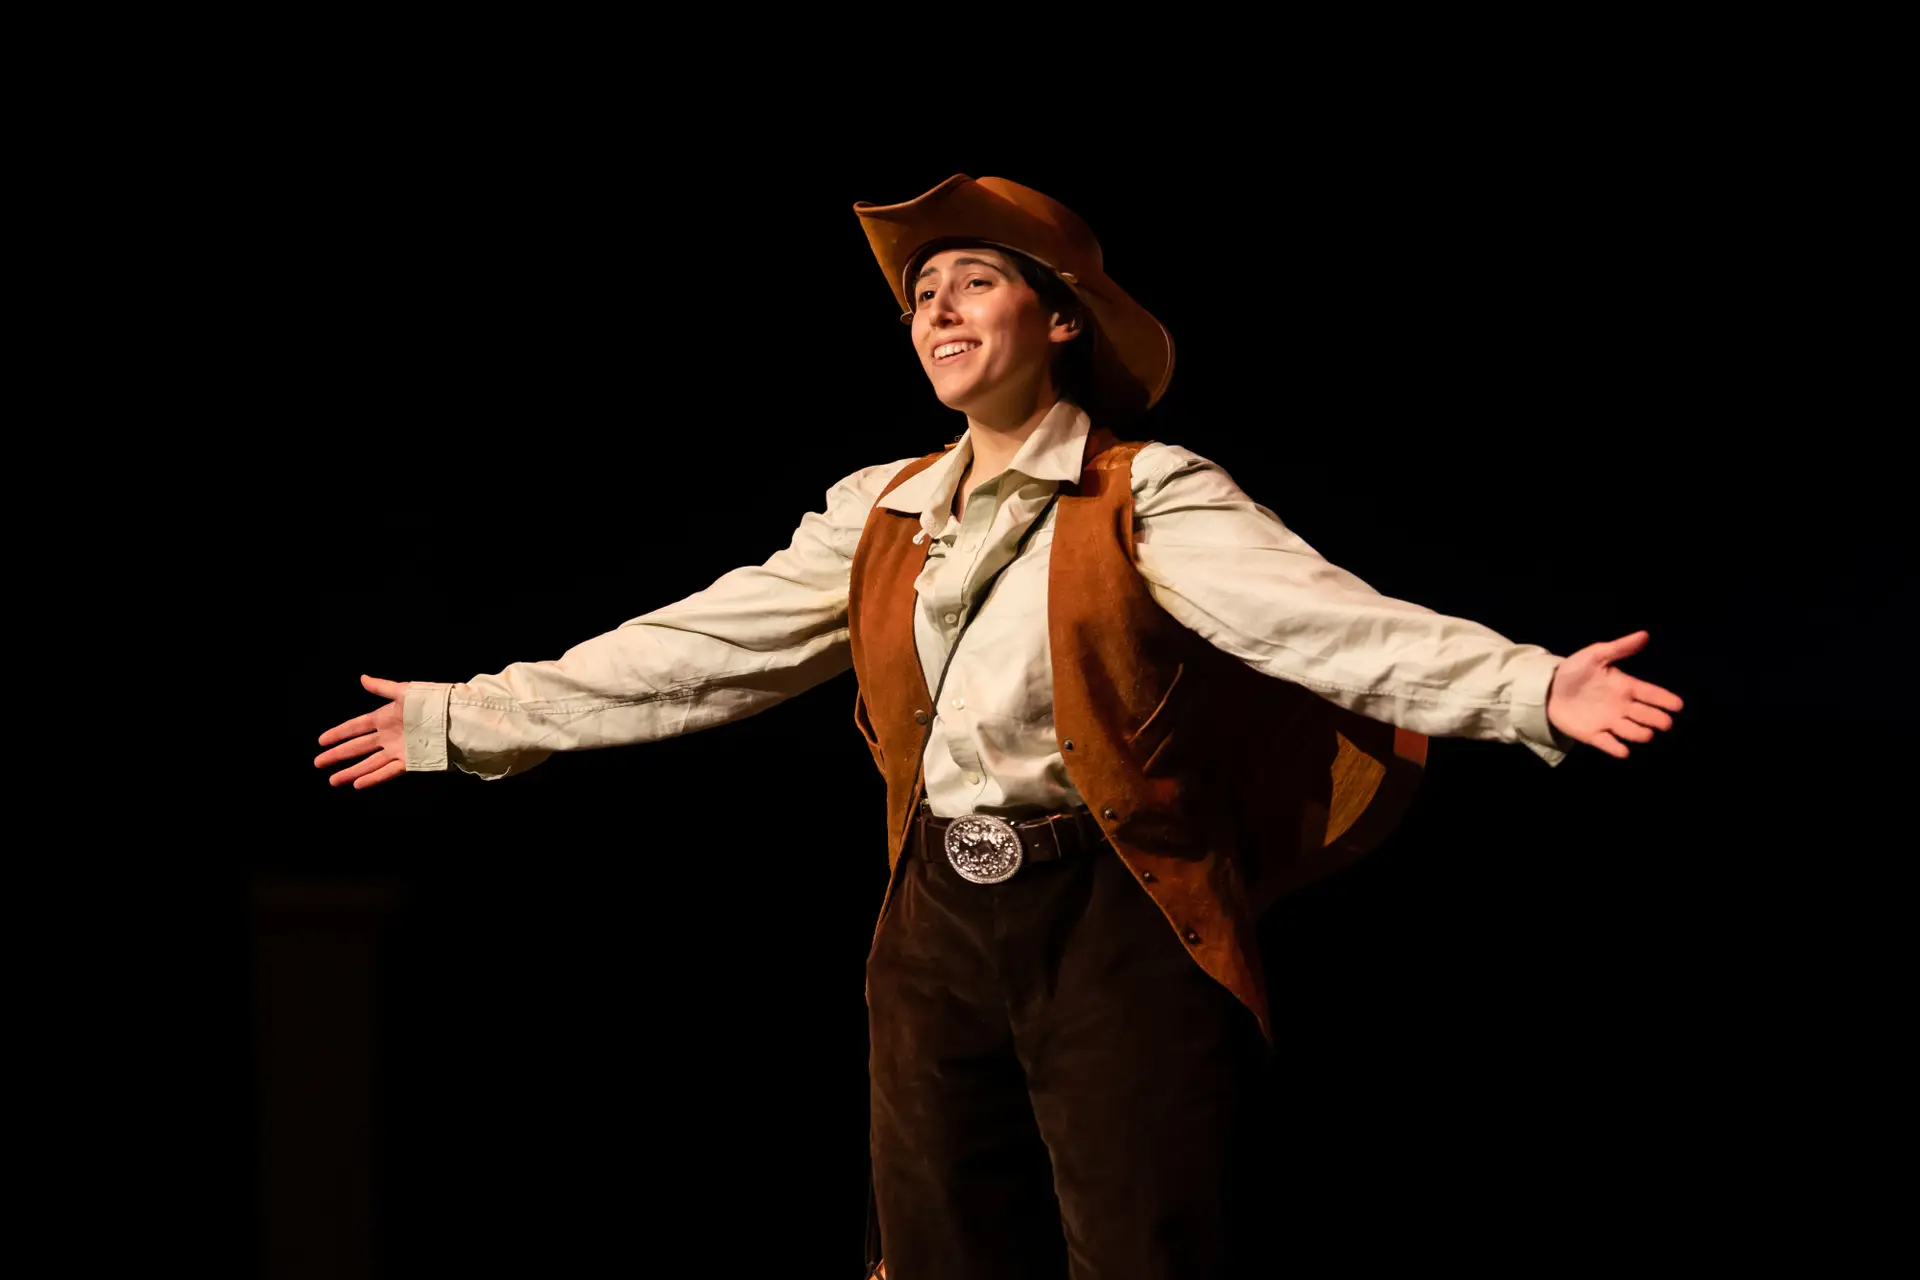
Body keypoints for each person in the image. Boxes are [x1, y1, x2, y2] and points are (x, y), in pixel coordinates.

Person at [315, 174, 1683, 1279]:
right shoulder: (881, 510)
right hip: (935, 919)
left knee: (1138, 1244)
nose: (939, 307)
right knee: (932, 1247)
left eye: (976, 279)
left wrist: (1528, 688)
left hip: (1116, 917)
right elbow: (699, 650)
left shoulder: (1147, 491)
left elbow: (1325, 625)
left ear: (1063, 320)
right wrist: (466, 719)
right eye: (923, 292)